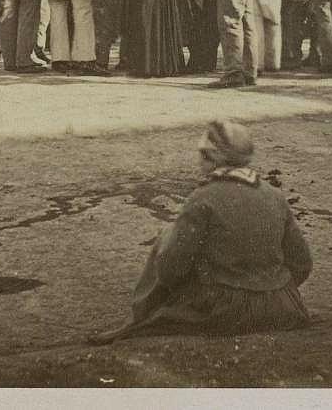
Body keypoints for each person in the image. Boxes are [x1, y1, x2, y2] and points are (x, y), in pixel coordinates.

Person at [89, 120, 312, 343]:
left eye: (201, 155)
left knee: (167, 238)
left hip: (226, 310)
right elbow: (302, 263)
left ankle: (141, 314)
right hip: (282, 307)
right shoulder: (274, 195)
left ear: (211, 158)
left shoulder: (203, 197)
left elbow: (170, 271)